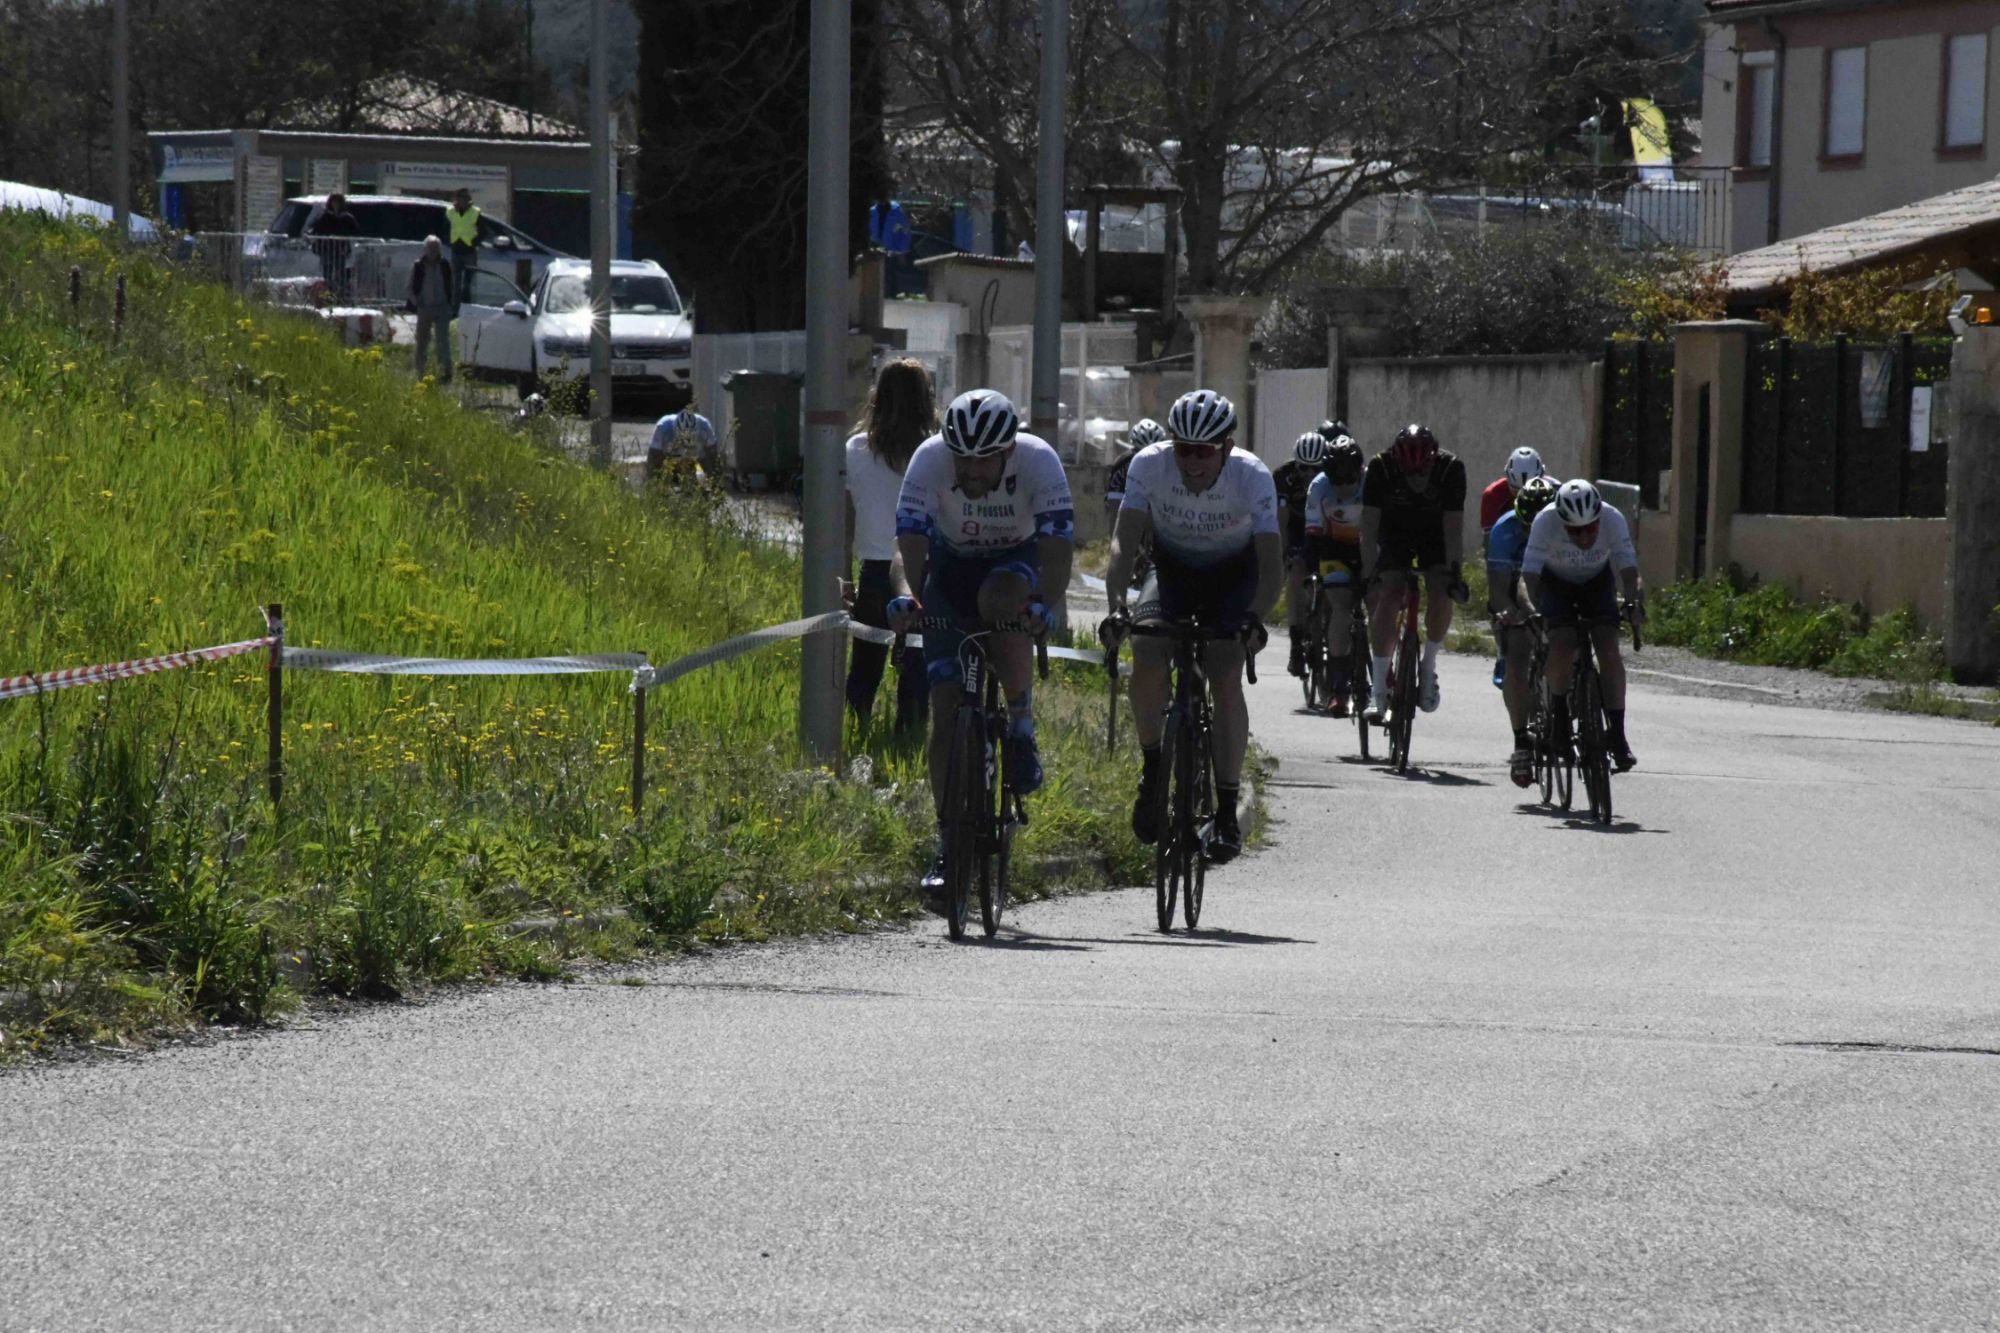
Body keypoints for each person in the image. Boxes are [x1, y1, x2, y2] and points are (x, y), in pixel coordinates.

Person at [887, 390, 1074, 898]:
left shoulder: (1039, 461)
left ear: (1009, 450)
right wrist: (908, 599)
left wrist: (1045, 604)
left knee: (1000, 602)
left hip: (1016, 560)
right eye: (962, 459)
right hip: (949, 566)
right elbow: (907, 549)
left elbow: (1058, 550)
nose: (970, 471)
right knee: (945, 711)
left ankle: (1021, 726)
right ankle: (948, 841)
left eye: (983, 460)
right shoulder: (929, 460)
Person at [1101, 389, 1281, 865]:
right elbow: (1122, 542)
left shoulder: (1252, 476)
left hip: (1233, 579)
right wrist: (1117, 607)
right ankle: (1152, 769)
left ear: (1226, 447)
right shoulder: (1148, 465)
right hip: (1172, 573)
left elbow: (1271, 565)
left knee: (1225, 673)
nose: (1193, 462)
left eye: (1205, 451)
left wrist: (1254, 619)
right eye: (1184, 450)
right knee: (1146, 650)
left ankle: (1226, 810)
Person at [1523, 479, 1642, 770]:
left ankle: (1617, 734)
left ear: (1599, 518)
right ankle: (1560, 717)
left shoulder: (1613, 518)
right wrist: (1532, 610)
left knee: (1608, 648)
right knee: (1562, 644)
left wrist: (1633, 601)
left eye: (1591, 528)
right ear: (1562, 521)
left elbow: (1629, 571)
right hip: (1556, 583)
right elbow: (1528, 576)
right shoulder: (1545, 521)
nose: (1585, 537)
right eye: (1575, 531)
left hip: (1596, 581)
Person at [844, 359, 932, 736]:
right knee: (917, 666)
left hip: (874, 571)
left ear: (877, 397)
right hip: (922, 571)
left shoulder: (855, 450)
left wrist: (843, 579)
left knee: (865, 665)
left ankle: (855, 731)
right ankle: (908, 738)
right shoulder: (934, 451)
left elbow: (845, 523)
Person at [1360, 423, 1467, 721]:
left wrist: (1455, 574)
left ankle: (1428, 666)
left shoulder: (1451, 469)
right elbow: (1368, 528)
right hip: (1394, 532)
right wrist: (1369, 575)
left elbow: (1453, 530)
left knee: (1441, 589)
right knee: (1389, 593)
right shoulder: (1380, 468)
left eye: (1422, 473)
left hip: (1435, 535)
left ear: (1433, 463)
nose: (1416, 480)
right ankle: (1378, 689)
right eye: (1410, 474)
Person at [1486, 474, 1559, 785]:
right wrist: (1510, 614)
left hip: (1555, 586)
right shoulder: (1504, 530)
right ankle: (1521, 743)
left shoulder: (1566, 525)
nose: (1532, 533)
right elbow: (1498, 590)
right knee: (1517, 656)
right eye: (1527, 526)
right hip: (1515, 593)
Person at [1300, 433, 1368, 715]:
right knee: (1340, 606)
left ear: (1359, 473)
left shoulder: (1372, 482)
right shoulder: (1318, 487)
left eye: (1349, 481)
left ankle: (1384, 672)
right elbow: (1312, 536)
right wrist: (1312, 573)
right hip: (1334, 550)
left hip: (1368, 548)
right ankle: (1339, 688)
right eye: (1336, 482)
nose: (1342, 488)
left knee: (1379, 603)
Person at [1480, 445, 1545, 688]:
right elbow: (1491, 548)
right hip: (1507, 547)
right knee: (1499, 596)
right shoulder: (1492, 495)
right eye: (1515, 490)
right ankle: (1502, 651)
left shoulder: (1553, 491)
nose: (1521, 495)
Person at [1274, 426, 1336, 678]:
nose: (1309, 475)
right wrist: (1282, 555)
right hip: (1296, 526)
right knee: (1296, 574)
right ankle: (1296, 643)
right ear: (1295, 464)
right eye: (1304, 468)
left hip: (1325, 525)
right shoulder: (1283, 476)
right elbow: (1281, 520)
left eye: (1316, 469)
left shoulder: (1334, 475)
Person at [406, 237, 456, 383]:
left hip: (442, 307)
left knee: (442, 341)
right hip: (424, 308)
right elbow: (409, 288)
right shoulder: (418, 266)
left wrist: (450, 304)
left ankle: (445, 372)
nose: (433, 251)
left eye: (436, 248)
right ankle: (420, 373)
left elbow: (451, 285)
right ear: (425, 249)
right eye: (430, 248)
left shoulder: (445, 265)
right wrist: (417, 303)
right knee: (422, 341)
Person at [308, 192, 360, 301]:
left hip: (341, 251)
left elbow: (355, 230)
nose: (335, 204)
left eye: (338, 202)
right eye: (333, 202)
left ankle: (340, 297)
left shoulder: (347, 217)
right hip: (327, 250)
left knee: (340, 275)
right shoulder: (325, 216)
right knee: (327, 275)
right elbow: (314, 228)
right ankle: (328, 297)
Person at [647, 404, 718, 481]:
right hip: (669, 455)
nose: (685, 442)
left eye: (689, 438)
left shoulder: (705, 426)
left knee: (709, 465)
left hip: (694, 455)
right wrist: (653, 480)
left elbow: (712, 455)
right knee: (657, 466)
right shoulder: (662, 427)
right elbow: (654, 455)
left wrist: (712, 478)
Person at [443, 187, 482, 306]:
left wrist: (475, 241)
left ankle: (467, 307)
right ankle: (455, 309)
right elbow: (444, 227)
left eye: (466, 197)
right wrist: (448, 240)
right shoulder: (450, 211)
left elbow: (483, 231)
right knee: (455, 283)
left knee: (468, 284)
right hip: (456, 250)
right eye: (461, 197)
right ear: (457, 199)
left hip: (469, 251)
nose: (464, 200)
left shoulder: (475, 212)